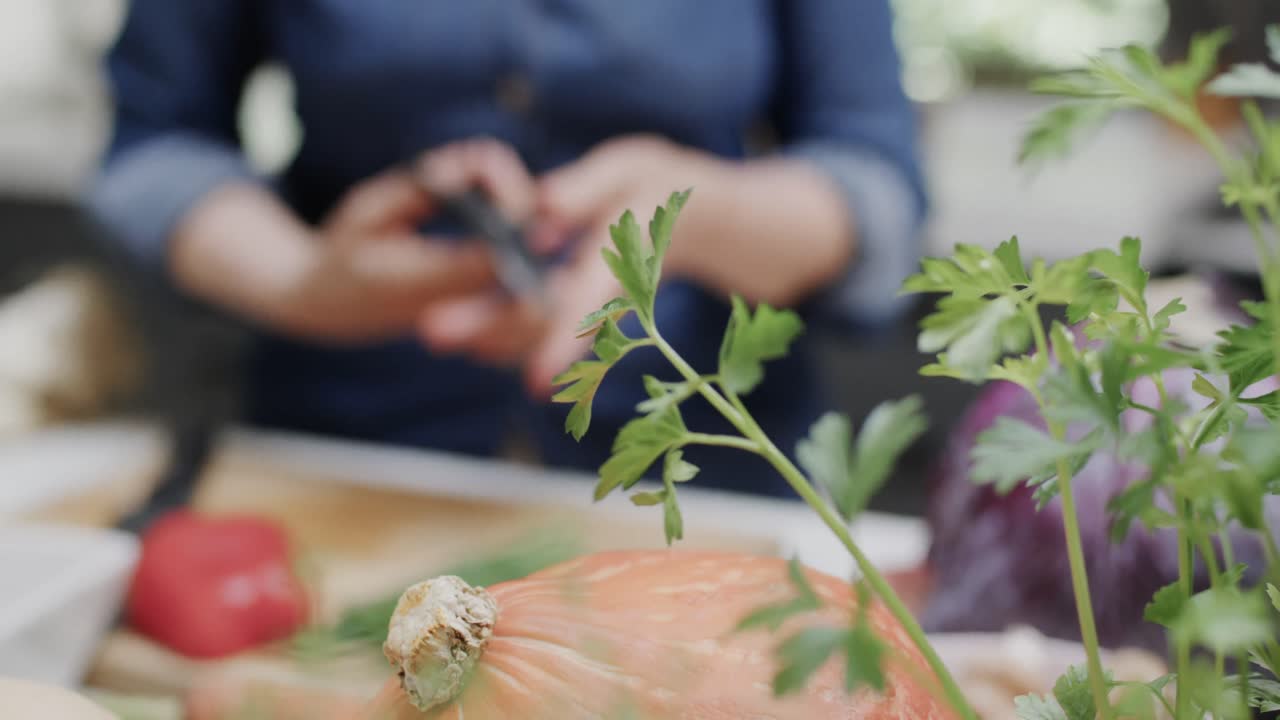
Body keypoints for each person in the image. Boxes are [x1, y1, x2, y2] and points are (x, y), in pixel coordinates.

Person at [87, 2, 926, 497]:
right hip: (347, 461)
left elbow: (878, 191)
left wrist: (700, 215)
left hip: (703, 468)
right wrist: (303, 281)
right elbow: (154, 145)